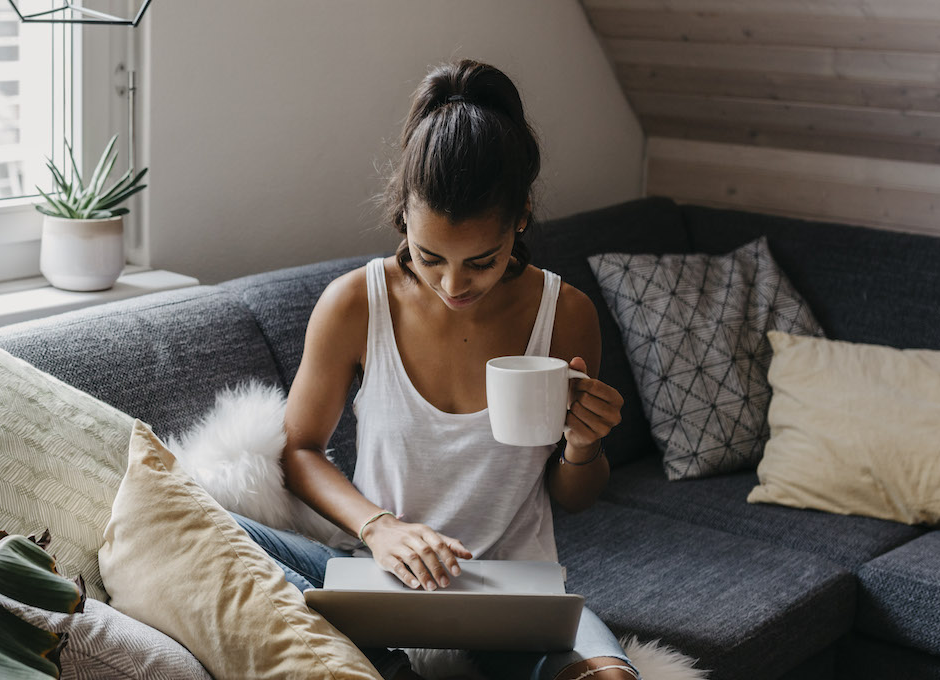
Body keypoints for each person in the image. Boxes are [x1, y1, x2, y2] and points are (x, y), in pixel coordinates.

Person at [231, 60, 641, 680]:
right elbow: (300, 450)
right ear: (404, 216)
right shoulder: (354, 304)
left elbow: (575, 498)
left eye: (482, 260)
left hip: (510, 591)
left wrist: (583, 446)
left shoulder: (565, 314)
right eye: (430, 258)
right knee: (213, 526)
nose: (453, 285)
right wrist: (381, 528)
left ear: (521, 218)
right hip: (378, 573)